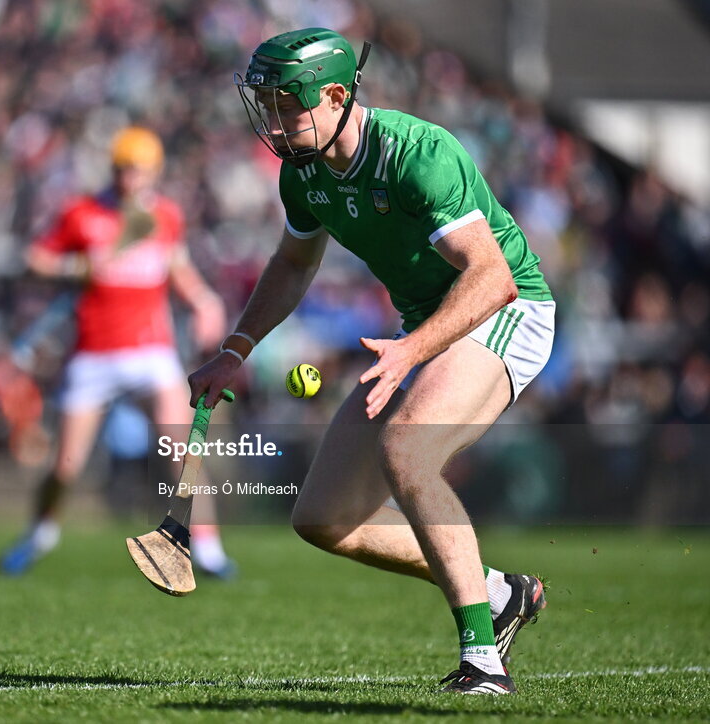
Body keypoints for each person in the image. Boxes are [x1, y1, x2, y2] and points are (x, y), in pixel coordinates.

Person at [188, 28, 555, 694]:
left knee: (406, 454)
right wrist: (233, 352)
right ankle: (500, 594)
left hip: (507, 312)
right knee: (323, 518)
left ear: (334, 96)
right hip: (424, 330)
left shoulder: (418, 155)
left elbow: (491, 277)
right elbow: (294, 263)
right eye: (264, 104)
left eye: (284, 104)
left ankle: (483, 662)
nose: (272, 120)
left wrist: (413, 348)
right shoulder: (303, 172)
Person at [0, 126, 237, 579]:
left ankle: (208, 549)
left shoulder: (166, 216)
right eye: (124, 170)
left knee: (182, 451)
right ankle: (39, 533)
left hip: (152, 351)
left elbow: (178, 268)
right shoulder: (82, 213)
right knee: (66, 465)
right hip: (95, 354)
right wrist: (80, 265)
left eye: (140, 171)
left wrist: (205, 301)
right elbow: (35, 258)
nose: (131, 179)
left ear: (154, 172)